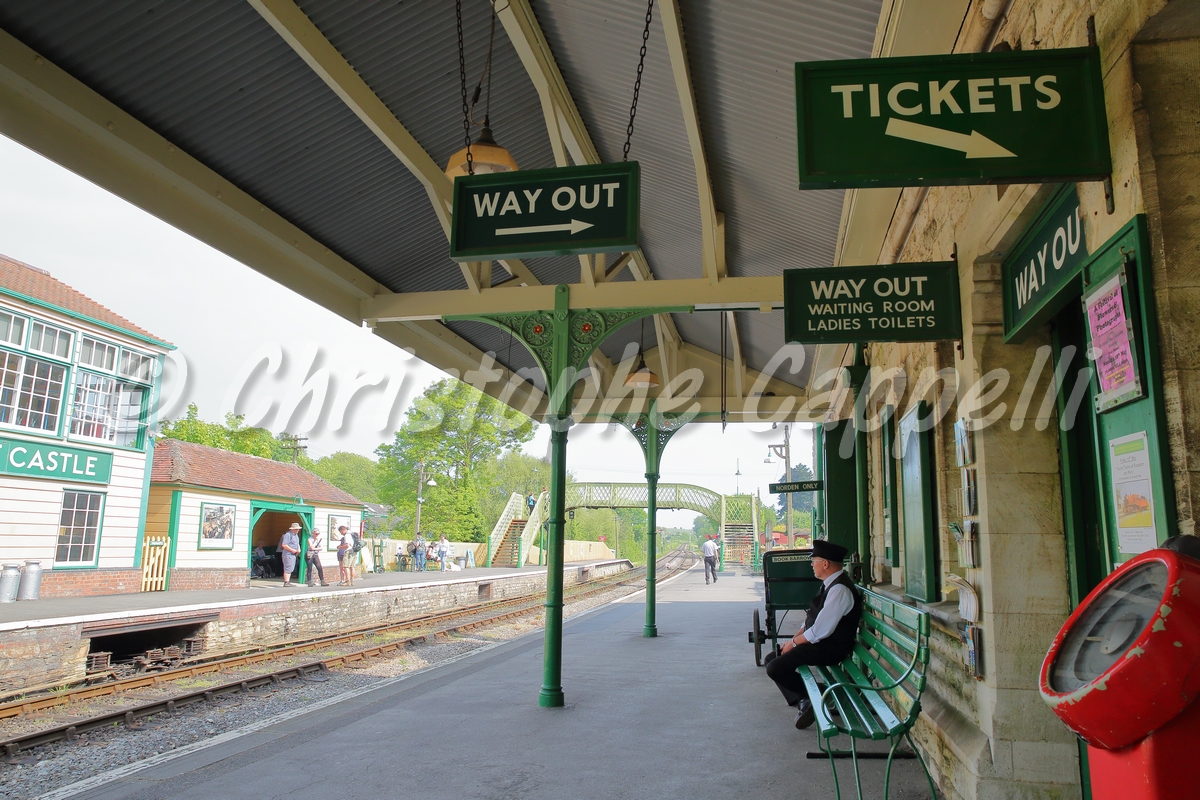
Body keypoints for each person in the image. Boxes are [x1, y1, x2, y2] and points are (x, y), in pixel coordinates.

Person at [763, 540, 862, 730]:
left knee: (774, 667)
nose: (811, 564)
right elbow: (812, 619)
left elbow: (821, 630)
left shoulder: (839, 589)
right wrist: (795, 639)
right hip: (821, 644)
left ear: (825, 564)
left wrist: (793, 643)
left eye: (814, 560)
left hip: (830, 648)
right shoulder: (830, 584)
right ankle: (806, 699)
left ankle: (812, 696)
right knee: (772, 658)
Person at [278, 522, 302, 587]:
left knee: (291, 567)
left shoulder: (296, 535)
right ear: (292, 529)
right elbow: (284, 545)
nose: (298, 530)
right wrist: (292, 550)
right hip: (288, 554)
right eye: (296, 529)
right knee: (288, 567)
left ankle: (288, 581)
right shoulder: (288, 535)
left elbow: (297, 544)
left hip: (293, 554)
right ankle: (286, 582)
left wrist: (299, 549)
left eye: (298, 529)